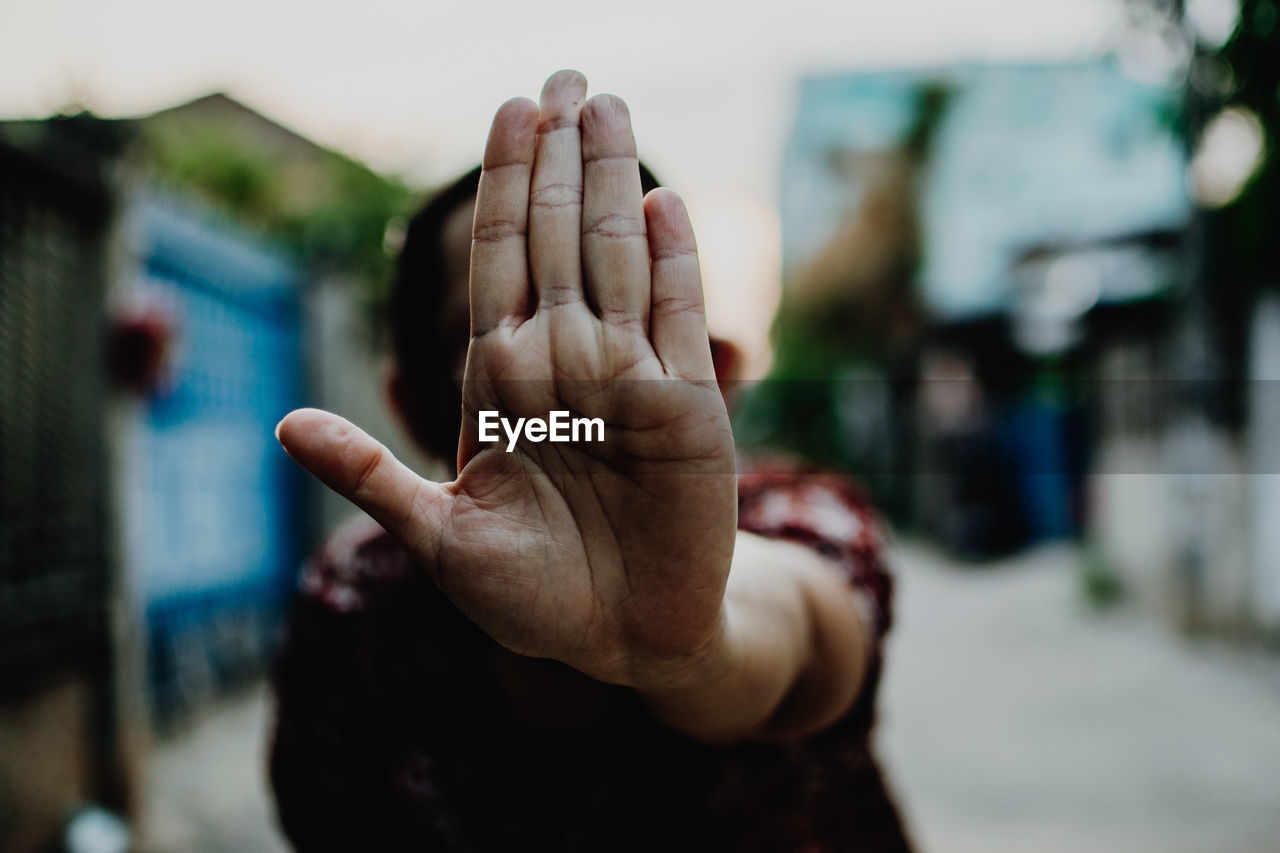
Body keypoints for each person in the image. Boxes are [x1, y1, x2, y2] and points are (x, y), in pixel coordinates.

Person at [270, 70, 913, 851]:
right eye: (491, 333)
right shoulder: (359, 609)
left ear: (721, 376)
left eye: (626, 331)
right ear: (410, 406)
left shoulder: (800, 517)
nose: (569, 383)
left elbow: (802, 633)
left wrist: (691, 649)